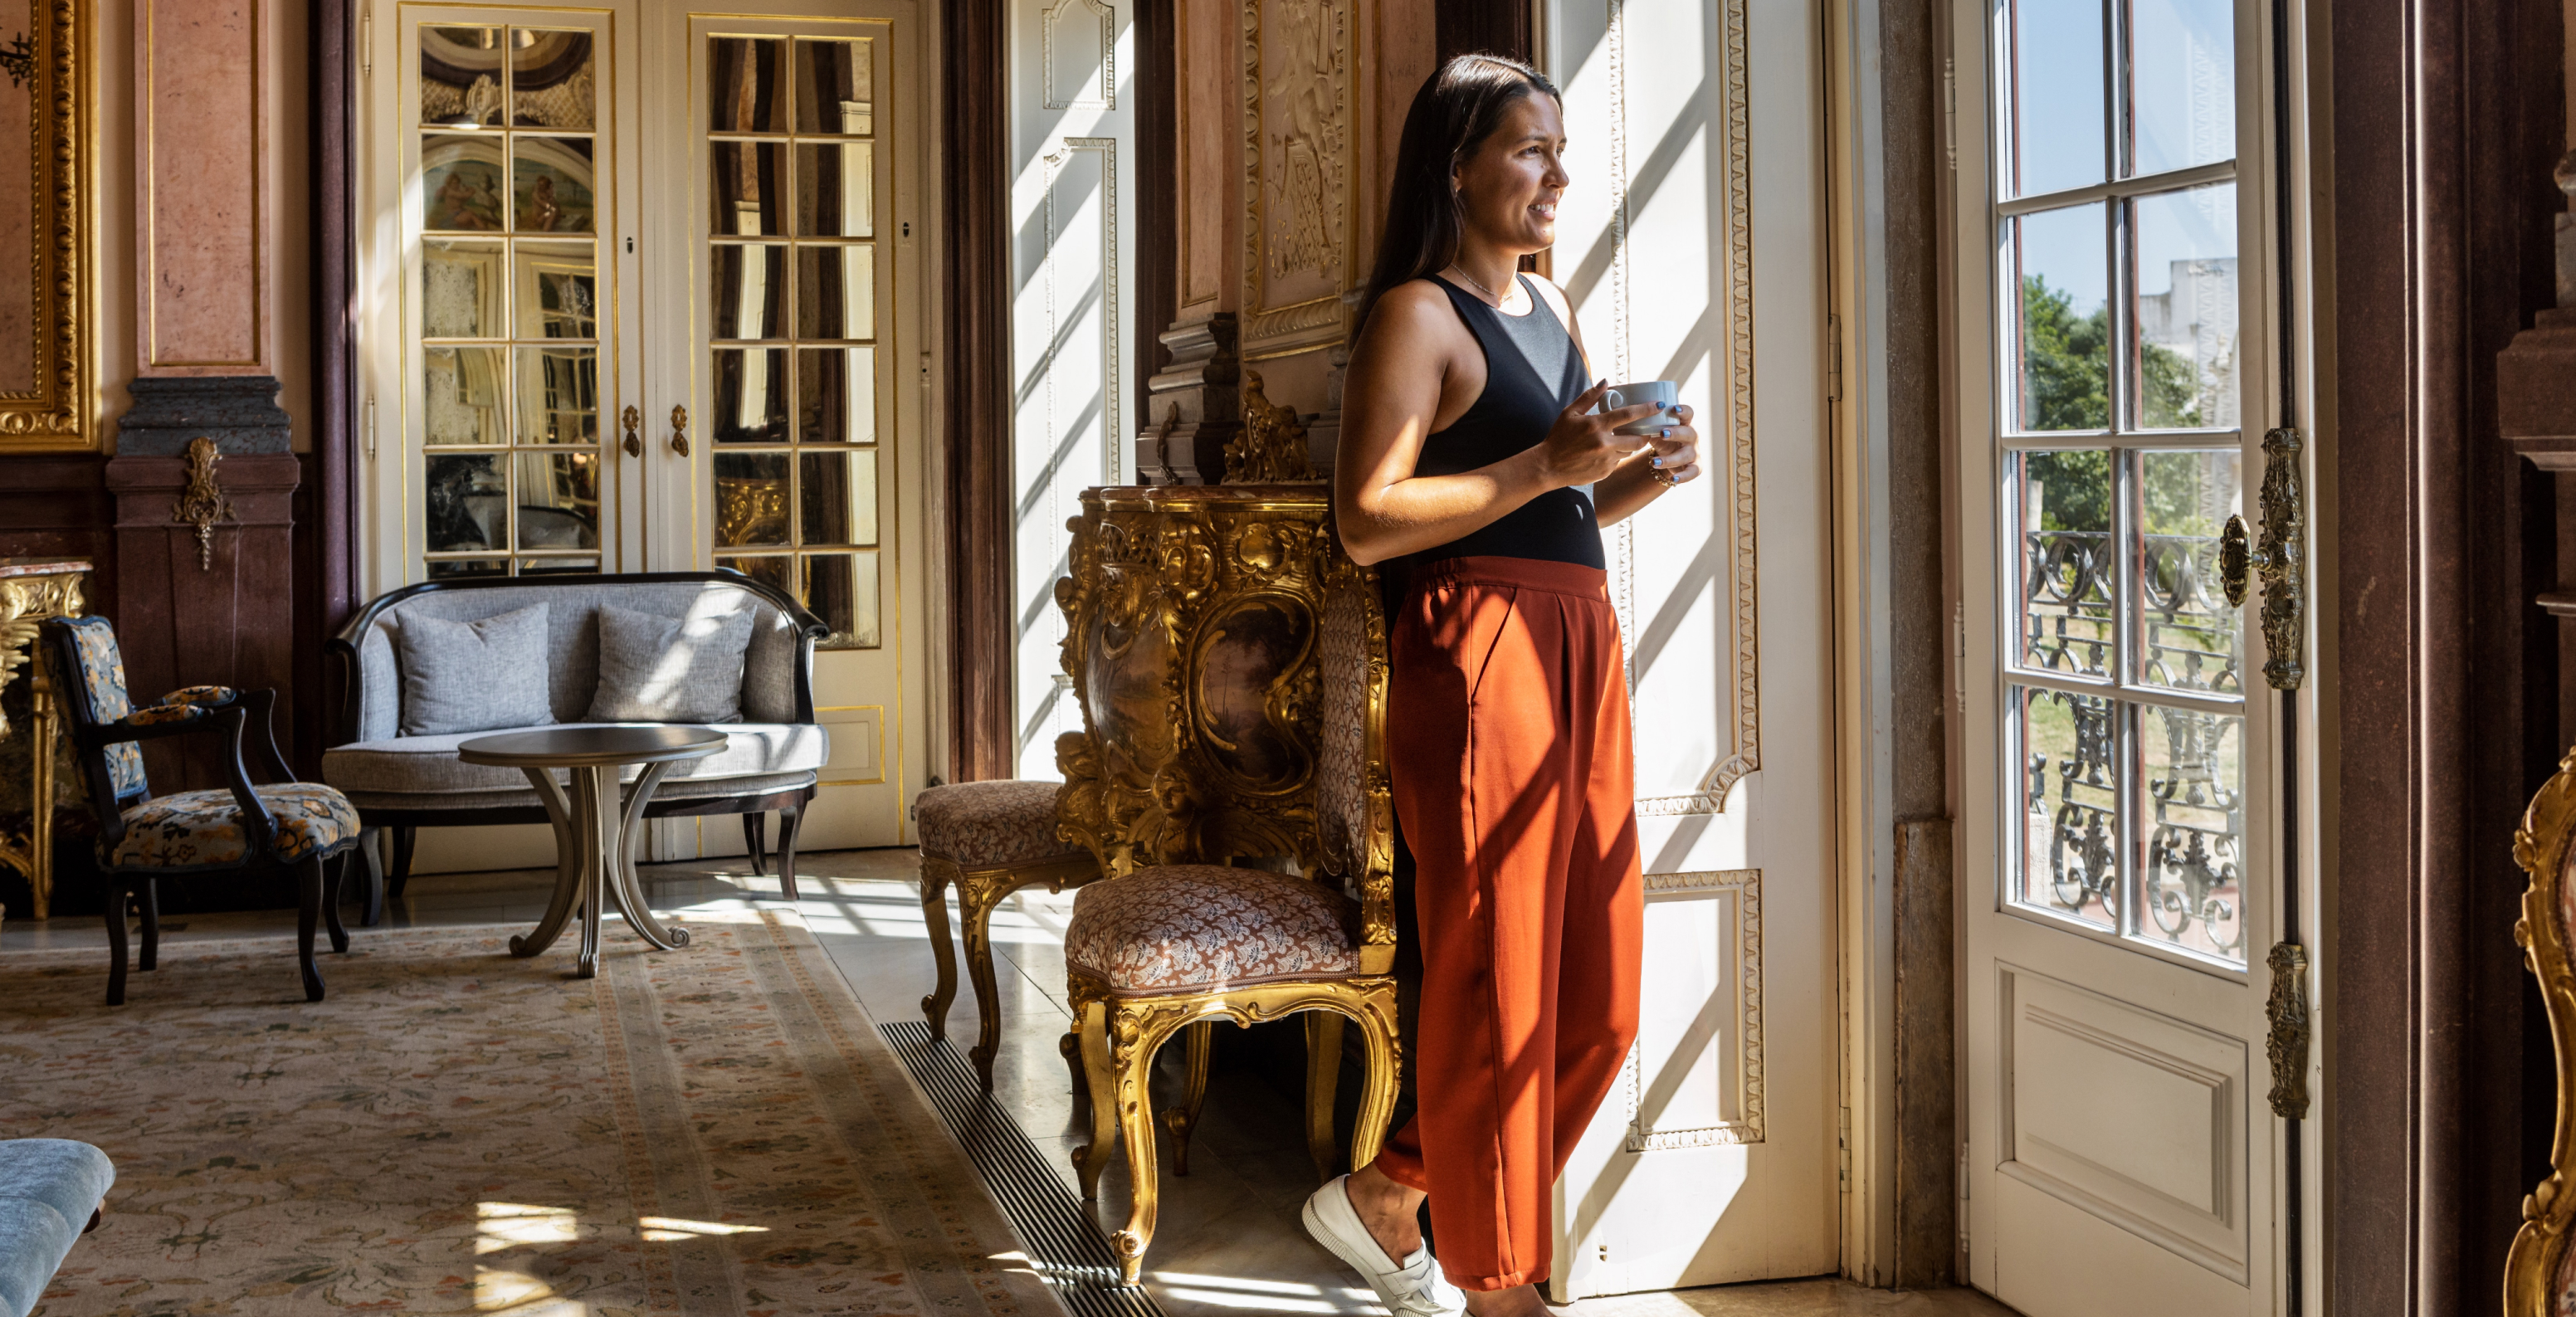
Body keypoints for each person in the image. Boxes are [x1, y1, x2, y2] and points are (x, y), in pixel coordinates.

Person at [1300, 51, 1701, 1317]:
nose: (1557, 174)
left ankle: (1392, 1190)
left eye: (1558, 148)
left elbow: (1562, 501)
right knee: (1492, 985)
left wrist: (1634, 474)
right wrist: (1547, 465)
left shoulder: (1553, 303)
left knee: (1600, 1001)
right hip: (1474, 655)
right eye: (1529, 149)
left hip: (1577, 639)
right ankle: (1499, 1286)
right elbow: (1367, 521)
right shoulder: (1417, 317)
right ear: (1457, 164)